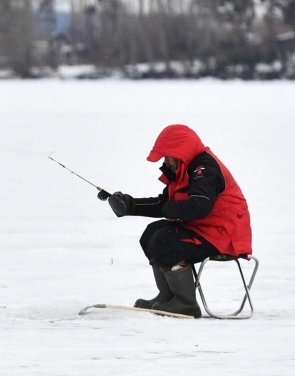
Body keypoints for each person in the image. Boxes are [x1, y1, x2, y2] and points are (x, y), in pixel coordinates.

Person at [108, 124, 252, 318]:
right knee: (151, 233)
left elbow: (199, 207)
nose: (166, 160)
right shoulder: (183, 168)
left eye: (168, 155)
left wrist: (167, 209)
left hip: (224, 236)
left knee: (164, 238)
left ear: (181, 151)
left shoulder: (204, 168)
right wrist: (129, 205)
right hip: (203, 229)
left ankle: (186, 303)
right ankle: (168, 296)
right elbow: (164, 203)